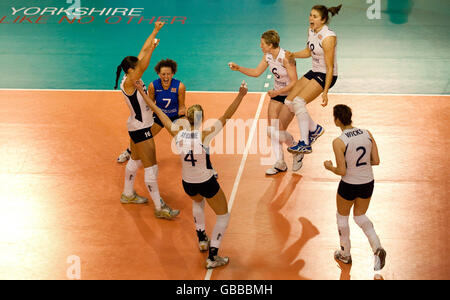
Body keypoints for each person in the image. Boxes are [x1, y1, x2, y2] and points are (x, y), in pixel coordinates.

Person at [135, 79, 248, 269]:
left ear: (186, 118)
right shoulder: (205, 134)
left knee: (198, 202)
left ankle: (202, 237)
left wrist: (143, 92)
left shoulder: (176, 133)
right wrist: (240, 95)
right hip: (206, 181)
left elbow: (157, 110)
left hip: (187, 183)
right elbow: (227, 115)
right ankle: (213, 256)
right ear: (202, 119)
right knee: (223, 216)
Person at [113, 22, 179, 220]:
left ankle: (128, 194)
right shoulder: (131, 82)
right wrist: (152, 48)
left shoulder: (129, 76)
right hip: (142, 129)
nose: (140, 68)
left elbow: (142, 53)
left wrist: (155, 31)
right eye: (137, 67)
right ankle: (159, 207)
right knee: (151, 167)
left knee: (135, 159)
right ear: (131, 70)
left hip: (135, 125)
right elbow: (144, 62)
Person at [228, 30, 304, 175]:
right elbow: (256, 72)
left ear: (270, 44)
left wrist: (277, 92)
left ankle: (296, 149)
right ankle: (280, 163)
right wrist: (239, 68)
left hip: (290, 95)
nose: (260, 46)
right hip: (277, 94)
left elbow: (295, 82)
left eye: (262, 44)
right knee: (271, 130)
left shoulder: (286, 58)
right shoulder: (268, 55)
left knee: (280, 131)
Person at [324, 104, 386, 271]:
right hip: (367, 182)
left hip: (349, 184)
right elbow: (376, 161)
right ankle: (377, 248)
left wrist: (329, 167)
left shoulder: (339, 141)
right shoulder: (367, 133)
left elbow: (342, 170)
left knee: (342, 217)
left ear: (337, 120)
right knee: (360, 216)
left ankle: (345, 254)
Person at [284, 4, 342, 154]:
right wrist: (293, 54)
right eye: (310, 15)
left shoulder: (328, 37)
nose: (311, 18)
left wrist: (325, 92)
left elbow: (329, 67)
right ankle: (314, 129)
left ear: (323, 20)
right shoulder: (311, 31)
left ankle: (305, 143)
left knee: (299, 101)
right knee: (289, 101)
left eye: (315, 16)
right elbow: (308, 52)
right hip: (315, 71)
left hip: (326, 75)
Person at [117, 58, 186, 163]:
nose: (166, 77)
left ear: (173, 74)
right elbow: (149, 103)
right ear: (158, 74)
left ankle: (202, 163)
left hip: (174, 117)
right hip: (159, 116)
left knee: (185, 139)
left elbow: (182, 106)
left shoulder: (180, 86)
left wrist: (183, 121)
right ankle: (129, 151)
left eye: (168, 74)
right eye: (163, 74)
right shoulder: (153, 86)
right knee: (141, 134)